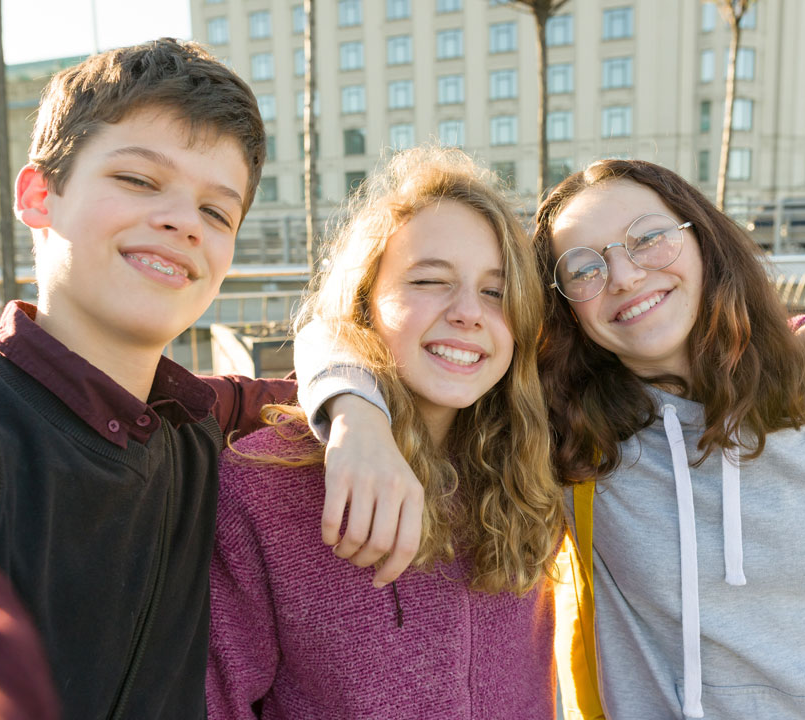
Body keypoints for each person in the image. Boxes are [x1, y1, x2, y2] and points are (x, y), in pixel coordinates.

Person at [0, 39, 416, 720]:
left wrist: (356, 416)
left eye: (217, 212)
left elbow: (338, 357)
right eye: (139, 180)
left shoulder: (196, 419)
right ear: (39, 195)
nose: (182, 222)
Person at [533, 158, 805, 718]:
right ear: (565, 305)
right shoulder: (566, 435)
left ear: (703, 240)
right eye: (583, 268)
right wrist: (371, 412)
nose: (625, 276)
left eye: (649, 238)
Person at [209, 147, 566, 719]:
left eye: (496, 292)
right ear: (365, 302)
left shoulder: (533, 468)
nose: (469, 312)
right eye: (429, 280)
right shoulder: (261, 487)